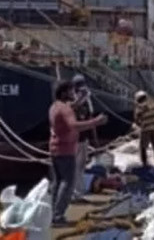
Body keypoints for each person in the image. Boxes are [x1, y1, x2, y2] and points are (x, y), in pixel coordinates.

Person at [48, 80, 107, 227]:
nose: (73, 93)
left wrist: (82, 99)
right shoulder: (65, 109)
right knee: (68, 183)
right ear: (64, 93)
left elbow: (70, 108)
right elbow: (73, 125)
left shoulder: (55, 107)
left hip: (55, 149)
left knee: (57, 183)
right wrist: (96, 121)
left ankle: (52, 213)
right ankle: (58, 216)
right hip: (65, 150)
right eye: (70, 91)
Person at [70, 74, 97, 203]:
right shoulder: (71, 100)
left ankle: (79, 192)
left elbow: (91, 119)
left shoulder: (87, 100)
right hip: (74, 140)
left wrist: (94, 139)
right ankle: (74, 193)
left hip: (83, 139)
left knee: (80, 167)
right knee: (75, 167)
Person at [133, 90, 154, 167]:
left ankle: (145, 165)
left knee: (143, 147)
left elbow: (136, 120)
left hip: (146, 130)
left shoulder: (139, 107)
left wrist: (141, 124)